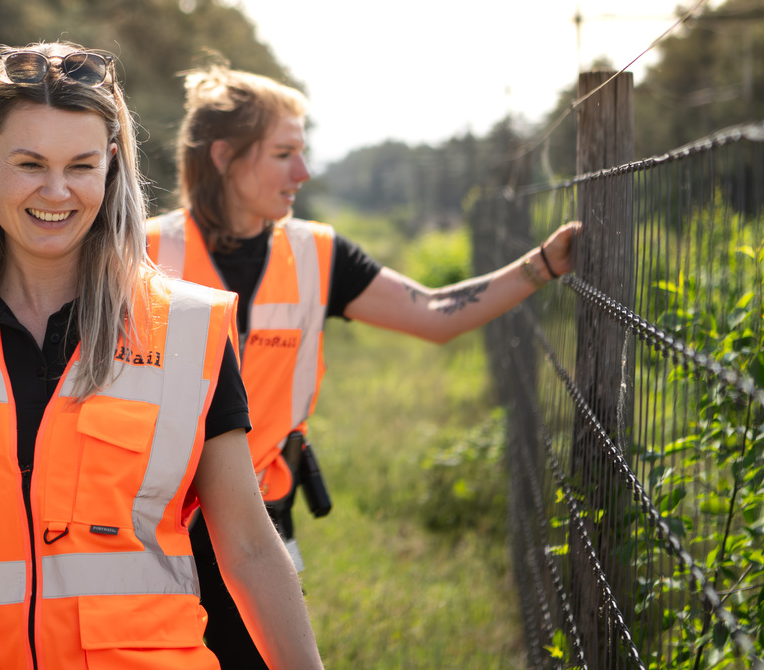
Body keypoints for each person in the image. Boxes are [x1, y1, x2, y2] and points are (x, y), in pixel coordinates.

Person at [0, 43, 325, 670]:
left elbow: (250, 547)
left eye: (81, 165)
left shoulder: (189, 331)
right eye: (31, 163)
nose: (57, 191)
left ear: (111, 166)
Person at [146, 64, 580, 669]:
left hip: (257, 518)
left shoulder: (317, 254)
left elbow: (433, 312)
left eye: (302, 152)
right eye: (283, 154)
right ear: (223, 156)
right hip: (149, 522)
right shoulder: (140, 253)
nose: (303, 172)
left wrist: (542, 267)